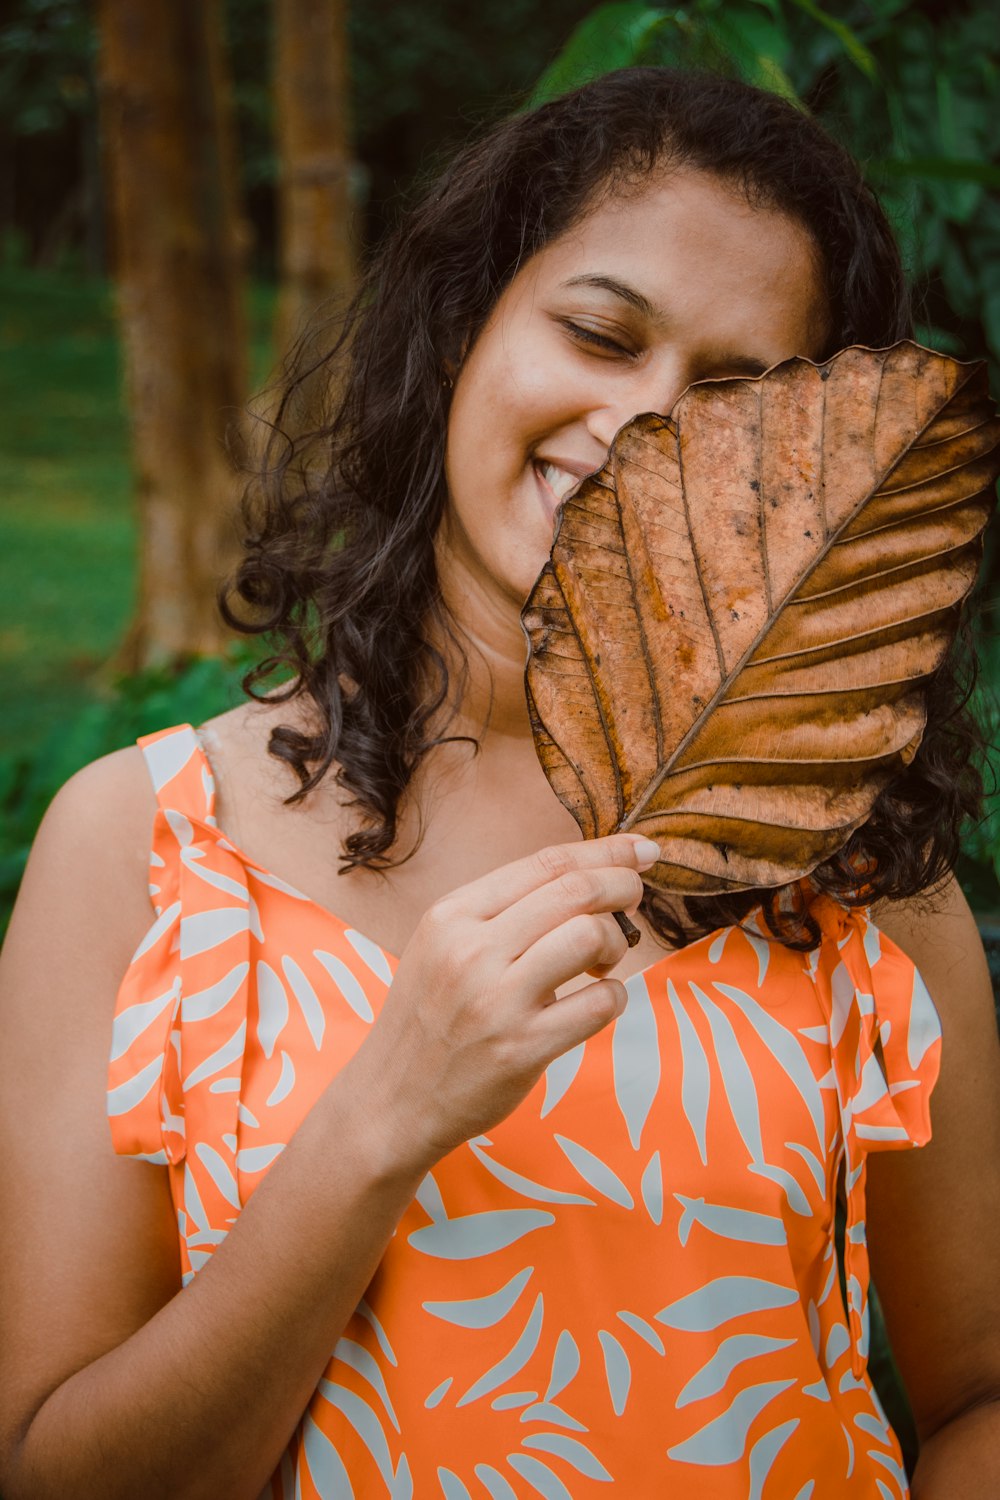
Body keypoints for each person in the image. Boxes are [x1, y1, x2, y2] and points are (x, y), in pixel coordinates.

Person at [1, 66, 998, 1500]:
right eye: (601, 333)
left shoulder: (862, 892)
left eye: (733, 395)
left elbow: (977, 1394)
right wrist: (384, 1116)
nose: (646, 426)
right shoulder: (148, 850)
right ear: (465, 329)